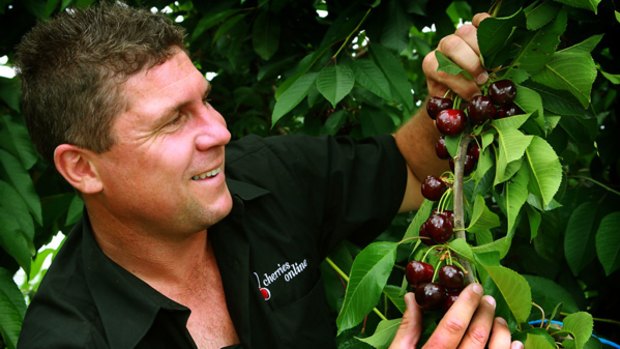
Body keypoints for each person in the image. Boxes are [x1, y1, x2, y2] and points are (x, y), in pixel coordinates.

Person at [14, 2, 522, 349]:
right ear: (81, 167)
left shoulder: (268, 176)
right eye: (173, 120)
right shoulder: (68, 337)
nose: (220, 132)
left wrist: (446, 103)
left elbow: (410, 168)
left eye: (206, 100)